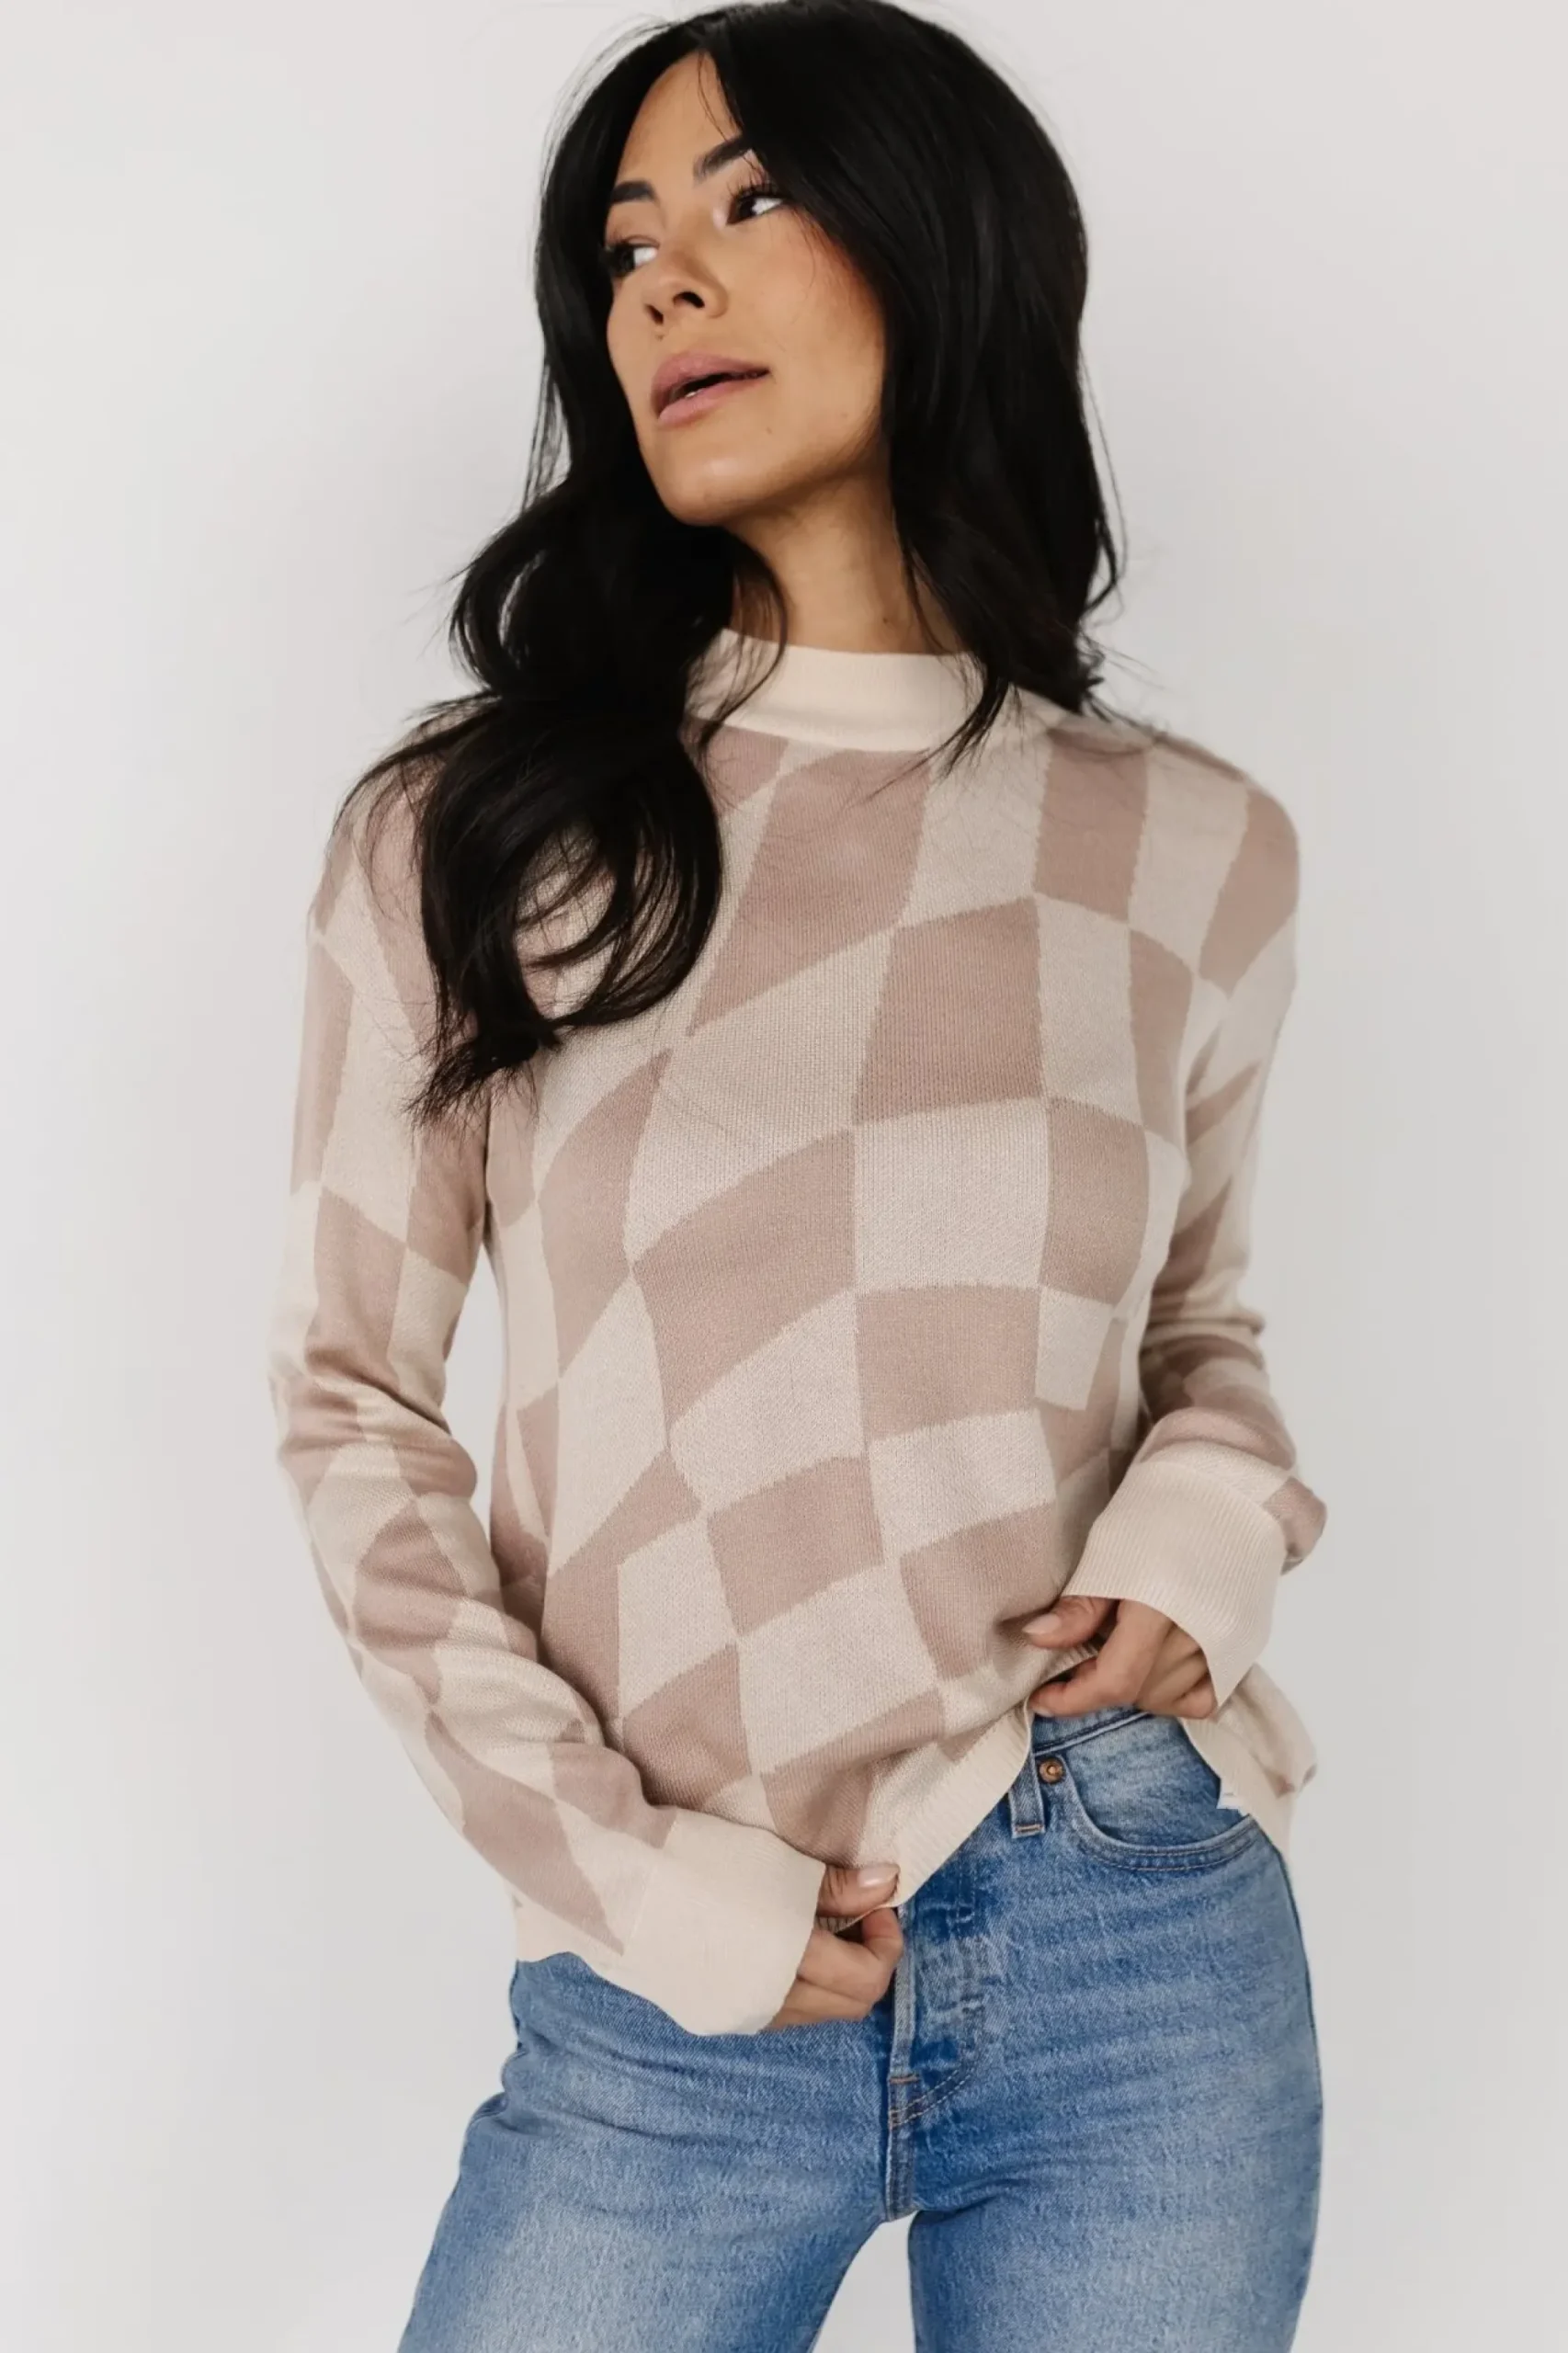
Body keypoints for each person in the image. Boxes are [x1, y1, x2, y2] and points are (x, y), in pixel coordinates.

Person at [265, 3, 1327, 2345]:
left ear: (943, 250)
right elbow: (351, 1403)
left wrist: (1201, 1546)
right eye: (625, 242)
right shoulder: (471, 835)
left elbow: (1196, 1331)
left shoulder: (1193, 848)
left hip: (1131, 1917)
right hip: (677, 1981)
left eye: (748, 201)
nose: (663, 280)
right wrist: (636, 1880)